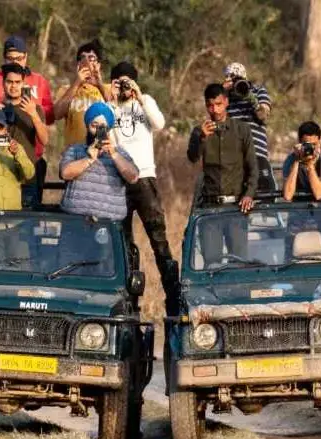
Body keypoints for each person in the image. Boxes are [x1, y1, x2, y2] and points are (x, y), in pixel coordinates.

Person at [107, 60, 182, 317]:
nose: (125, 86)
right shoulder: (110, 107)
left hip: (145, 178)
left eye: (128, 81)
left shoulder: (144, 100)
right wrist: (111, 100)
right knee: (124, 242)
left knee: (158, 239)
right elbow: (107, 138)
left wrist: (139, 96)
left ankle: (174, 296)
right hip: (119, 181)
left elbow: (159, 124)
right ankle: (129, 302)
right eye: (120, 82)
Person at [0, 35, 54, 206]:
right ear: (3, 83)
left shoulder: (34, 106)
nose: (14, 86)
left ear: (24, 83)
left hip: (28, 172)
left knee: (28, 224)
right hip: (3, 174)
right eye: (9, 82)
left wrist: (33, 114)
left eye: (17, 82)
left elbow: (45, 139)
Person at [187, 83, 258, 268]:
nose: (215, 110)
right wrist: (201, 138)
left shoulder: (242, 130)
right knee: (212, 264)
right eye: (210, 105)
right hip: (210, 208)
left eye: (218, 104)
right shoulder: (199, 131)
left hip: (236, 207)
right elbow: (192, 158)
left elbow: (253, 167)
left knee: (240, 263)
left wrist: (249, 194)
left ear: (226, 102)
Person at [58, 102, 139, 222]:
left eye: (102, 127)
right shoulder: (75, 149)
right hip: (74, 220)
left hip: (108, 223)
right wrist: (89, 159)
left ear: (109, 129)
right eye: (94, 125)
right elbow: (65, 173)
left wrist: (114, 154)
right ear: (87, 126)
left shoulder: (119, 153)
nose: (98, 131)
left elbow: (133, 177)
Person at [222, 62, 275, 193]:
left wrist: (249, 97)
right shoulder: (225, 98)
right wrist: (222, 92)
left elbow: (263, 115)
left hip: (257, 154)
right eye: (231, 78)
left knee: (265, 195)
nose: (235, 83)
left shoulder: (258, 91)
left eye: (237, 78)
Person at [54, 39, 113, 147]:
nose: (86, 61)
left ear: (98, 65)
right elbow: (57, 114)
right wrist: (77, 83)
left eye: (91, 58)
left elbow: (118, 113)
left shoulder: (108, 88)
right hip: (74, 153)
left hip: (100, 150)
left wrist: (99, 84)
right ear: (78, 65)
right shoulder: (66, 89)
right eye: (82, 58)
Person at [281, 121, 321, 202]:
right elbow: (287, 196)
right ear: (299, 142)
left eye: (314, 144)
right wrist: (296, 161)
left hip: (320, 209)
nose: (310, 149)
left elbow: (318, 194)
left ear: (320, 142)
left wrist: (310, 165)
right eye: (307, 145)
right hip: (299, 209)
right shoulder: (291, 159)